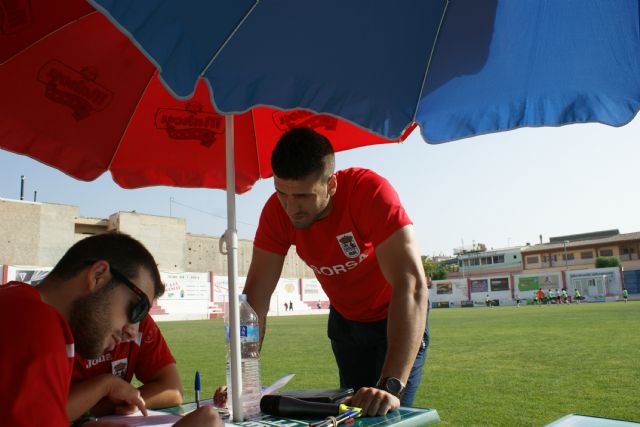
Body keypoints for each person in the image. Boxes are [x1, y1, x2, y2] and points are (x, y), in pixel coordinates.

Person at [243, 127, 429, 417]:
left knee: (386, 414)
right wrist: (245, 380)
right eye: (282, 193)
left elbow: (412, 285)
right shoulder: (276, 213)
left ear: (331, 185)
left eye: (303, 196)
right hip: (346, 325)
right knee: (350, 418)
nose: (291, 208)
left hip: (395, 318)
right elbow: (255, 298)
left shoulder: (369, 191)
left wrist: (390, 387)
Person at [0, 233, 221, 427]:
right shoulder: (35, 324)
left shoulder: (22, 308)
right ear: (98, 275)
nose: (134, 332)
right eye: (137, 308)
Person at [68, 314, 182, 420]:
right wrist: (106, 385)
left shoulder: (138, 319)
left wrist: (130, 401)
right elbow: (52, 412)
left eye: (143, 310)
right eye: (134, 307)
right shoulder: (61, 327)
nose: (133, 334)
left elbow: (173, 390)